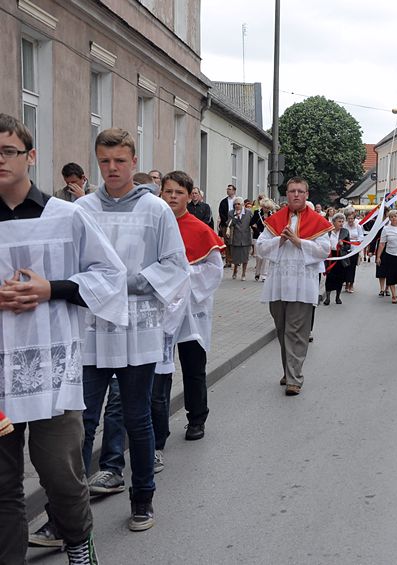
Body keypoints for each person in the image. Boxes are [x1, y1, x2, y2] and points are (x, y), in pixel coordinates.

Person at [0, 114, 126, 564]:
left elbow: (110, 275)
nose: (0, 160)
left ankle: (77, 542)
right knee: (3, 485)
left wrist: (49, 289)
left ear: (30, 156)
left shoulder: (66, 216)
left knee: (61, 474)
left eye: (8, 151)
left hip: (52, 370)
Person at [77, 127, 189, 532]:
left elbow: (175, 265)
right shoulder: (82, 209)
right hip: (93, 330)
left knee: (137, 417)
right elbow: (71, 262)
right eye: (104, 161)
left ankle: (143, 498)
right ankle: (67, 512)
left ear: (134, 162)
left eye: (119, 161)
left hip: (137, 327)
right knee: (81, 421)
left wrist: (125, 282)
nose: (112, 168)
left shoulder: (155, 209)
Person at [151, 171, 224, 472]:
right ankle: (158, 431)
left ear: (189, 195)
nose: (172, 197)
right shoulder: (153, 226)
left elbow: (214, 271)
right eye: (168, 191)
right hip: (161, 311)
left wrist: (181, 279)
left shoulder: (200, 229)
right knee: (160, 372)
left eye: (178, 192)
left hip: (191, 311)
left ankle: (197, 418)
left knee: (194, 367)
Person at [257, 177, 331, 396]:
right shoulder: (276, 219)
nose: (296, 194)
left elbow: (324, 250)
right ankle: (288, 370)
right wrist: (280, 240)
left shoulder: (317, 221)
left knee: (296, 332)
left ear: (306, 195)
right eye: (292, 191)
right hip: (278, 284)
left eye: (300, 191)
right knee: (282, 330)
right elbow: (260, 248)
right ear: (287, 194)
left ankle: (294, 378)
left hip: (302, 284)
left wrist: (299, 242)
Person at [376, 209, 397, 304]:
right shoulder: (386, 229)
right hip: (390, 254)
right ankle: (394, 295)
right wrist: (378, 257)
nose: (393, 218)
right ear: (389, 218)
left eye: (395, 216)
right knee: (391, 275)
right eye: (391, 217)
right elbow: (382, 244)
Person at [324, 212, 351, 305]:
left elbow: (348, 246)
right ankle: (327, 298)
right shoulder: (328, 231)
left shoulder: (345, 232)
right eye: (339, 221)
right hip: (330, 256)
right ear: (334, 222)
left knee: (340, 278)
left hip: (341, 257)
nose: (341, 223)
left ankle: (337, 297)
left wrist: (343, 245)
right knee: (329, 278)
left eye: (342, 221)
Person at [228, 197, 252, 281]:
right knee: (236, 257)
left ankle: (244, 273)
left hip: (246, 237)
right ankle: (235, 271)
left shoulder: (248, 212)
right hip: (236, 237)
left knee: (245, 257)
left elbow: (252, 222)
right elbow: (229, 224)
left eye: (238, 204)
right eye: (235, 204)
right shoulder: (231, 213)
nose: (236, 206)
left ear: (242, 205)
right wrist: (236, 217)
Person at [251, 199, 274, 281]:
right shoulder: (257, 213)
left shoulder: (272, 214)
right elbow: (252, 223)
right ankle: (257, 273)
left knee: (266, 257)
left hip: (268, 238)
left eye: (268, 208)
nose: (266, 209)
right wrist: (256, 229)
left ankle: (264, 275)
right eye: (265, 207)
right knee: (259, 256)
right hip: (258, 236)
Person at [342, 207, 363, 293]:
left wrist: (356, 241)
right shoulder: (344, 226)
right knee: (346, 267)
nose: (350, 220)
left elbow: (361, 237)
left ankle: (351, 284)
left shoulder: (358, 226)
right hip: (345, 249)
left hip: (354, 249)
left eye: (352, 219)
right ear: (346, 219)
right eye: (349, 219)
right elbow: (342, 236)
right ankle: (346, 283)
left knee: (352, 267)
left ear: (354, 219)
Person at [219, 184, 237, 267]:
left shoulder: (238, 201)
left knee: (235, 242)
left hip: (236, 224)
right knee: (227, 242)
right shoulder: (223, 201)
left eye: (230, 189)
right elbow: (221, 212)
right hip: (226, 224)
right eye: (227, 189)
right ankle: (228, 261)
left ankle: (236, 259)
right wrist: (226, 222)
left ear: (234, 191)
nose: (228, 190)